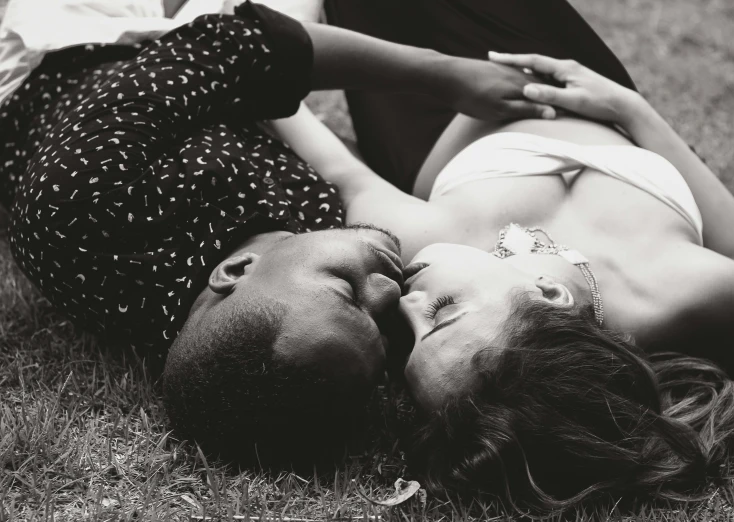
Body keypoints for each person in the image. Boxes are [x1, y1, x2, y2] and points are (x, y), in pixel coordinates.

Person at [260, 0, 734, 509]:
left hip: (422, 118)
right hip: (579, 79)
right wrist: (629, 107)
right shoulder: (680, 296)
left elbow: (316, 141)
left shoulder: (422, 236)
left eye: (410, 342)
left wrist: (248, 43)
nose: (403, 304)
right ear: (550, 295)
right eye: (441, 314)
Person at [0, 0, 555, 464]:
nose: (392, 293)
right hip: (203, 69)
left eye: (345, 289)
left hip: (67, 46)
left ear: (235, 271)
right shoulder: (294, 303)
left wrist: (444, 74)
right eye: (382, 332)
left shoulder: (83, 209)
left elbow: (238, 42)